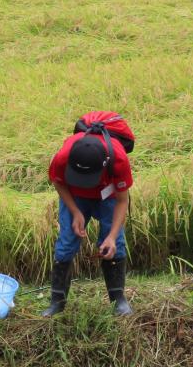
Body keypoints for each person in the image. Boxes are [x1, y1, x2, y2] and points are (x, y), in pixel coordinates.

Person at [43, 111, 134, 317]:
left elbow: (122, 200)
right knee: (66, 242)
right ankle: (57, 301)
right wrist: (75, 212)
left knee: (115, 244)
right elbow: (58, 182)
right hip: (74, 197)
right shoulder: (63, 156)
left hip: (108, 197)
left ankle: (118, 299)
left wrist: (110, 236)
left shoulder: (117, 159)